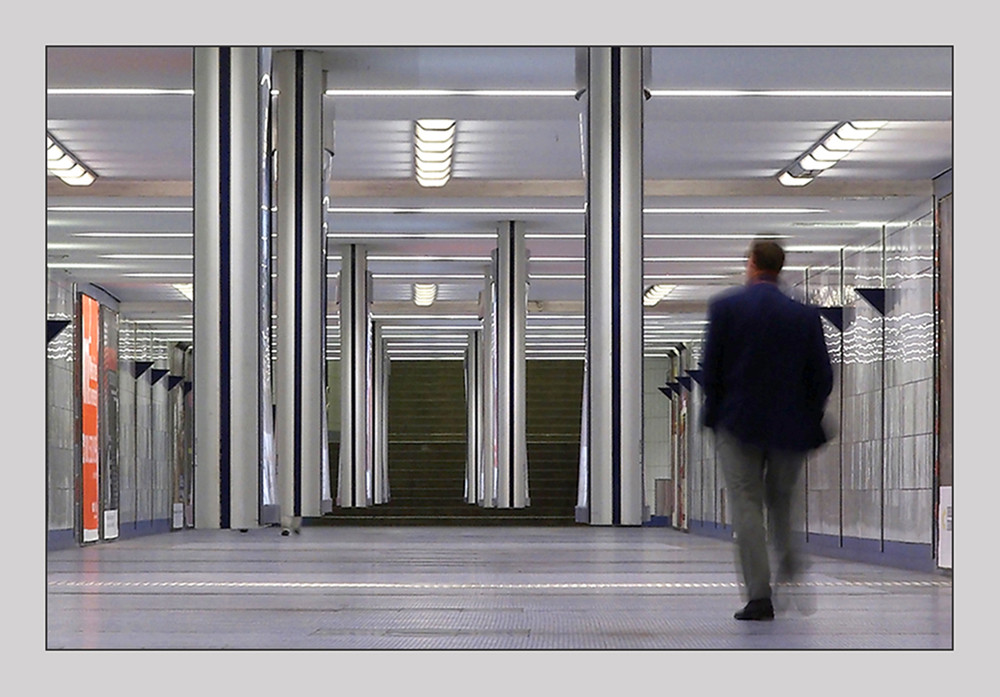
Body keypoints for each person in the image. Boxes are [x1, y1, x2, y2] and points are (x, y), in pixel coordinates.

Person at [700, 238, 833, 620]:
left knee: (746, 505)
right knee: (784, 502)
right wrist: (807, 414)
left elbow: (712, 370)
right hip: (789, 428)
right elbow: (822, 376)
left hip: (738, 424)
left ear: (753, 264)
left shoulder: (726, 308)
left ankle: (759, 596)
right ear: (779, 268)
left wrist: (717, 411)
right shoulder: (804, 316)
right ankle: (791, 562)